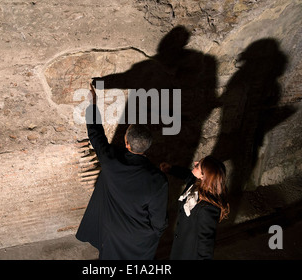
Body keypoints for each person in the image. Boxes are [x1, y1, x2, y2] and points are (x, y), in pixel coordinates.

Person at [76, 83, 169, 260]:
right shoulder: (158, 180)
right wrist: (154, 234)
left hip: (112, 231)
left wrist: (92, 104)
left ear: (126, 144)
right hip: (139, 238)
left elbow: (95, 134)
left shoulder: (111, 160)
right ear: (147, 147)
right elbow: (159, 221)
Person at [160, 156, 229, 259]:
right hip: (180, 244)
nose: (195, 162)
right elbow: (187, 175)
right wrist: (171, 169)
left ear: (203, 176)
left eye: (198, 165)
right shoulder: (197, 183)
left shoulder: (208, 209)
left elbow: (206, 244)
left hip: (189, 253)